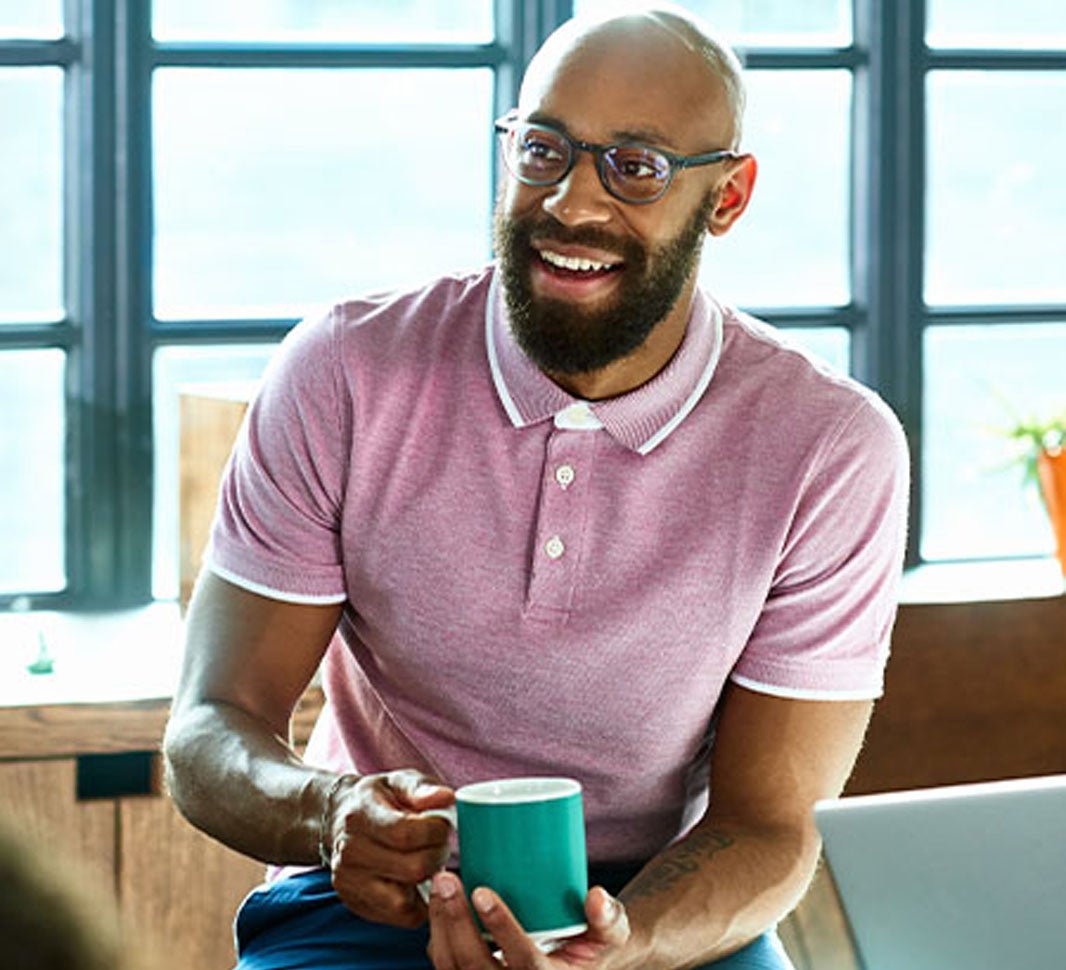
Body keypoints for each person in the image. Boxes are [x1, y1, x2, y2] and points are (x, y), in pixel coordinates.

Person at [163, 4, 909, 969]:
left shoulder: (832, 446)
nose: (572, 204)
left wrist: (626, 949)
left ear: (726, 199)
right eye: (544, 150)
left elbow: (769, 828)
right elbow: (210, 729)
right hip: (374, 901)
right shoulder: (346, 369)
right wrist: (330, 812)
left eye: (634, 168)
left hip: (659, 906)